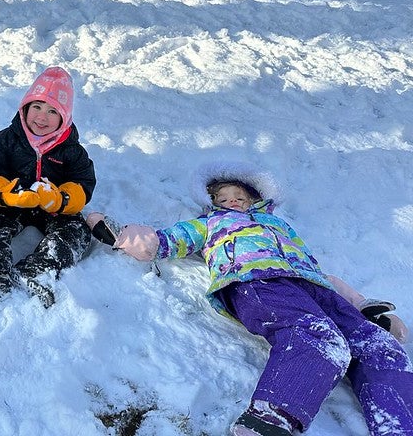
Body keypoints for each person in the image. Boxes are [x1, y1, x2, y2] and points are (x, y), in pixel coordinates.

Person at [87, 161, 413, 436]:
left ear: (253, 200)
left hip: (310, 285)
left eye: (238, 196)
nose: (231, 201)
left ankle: (400, 426)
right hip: (254, 279)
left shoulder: (280, 227)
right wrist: (130, 236)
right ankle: (266, 423)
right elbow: (171, 239)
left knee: (379, 347)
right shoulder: (211, 223)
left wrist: (360, 307)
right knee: (318, 339)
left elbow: (317, 271)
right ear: (213, 202)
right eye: (223, 197)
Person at [0, 66, 96, 308]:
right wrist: (5, 194)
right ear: (25, 107)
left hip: (51, 206)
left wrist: (60, 199)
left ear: (64, 117)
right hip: (13, 201)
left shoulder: (72, 150)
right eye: (36, 107)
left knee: (77, 231)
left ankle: (40, 268)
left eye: (52, 111)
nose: (41, 117)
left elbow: (83, 183)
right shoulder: (5, 139)